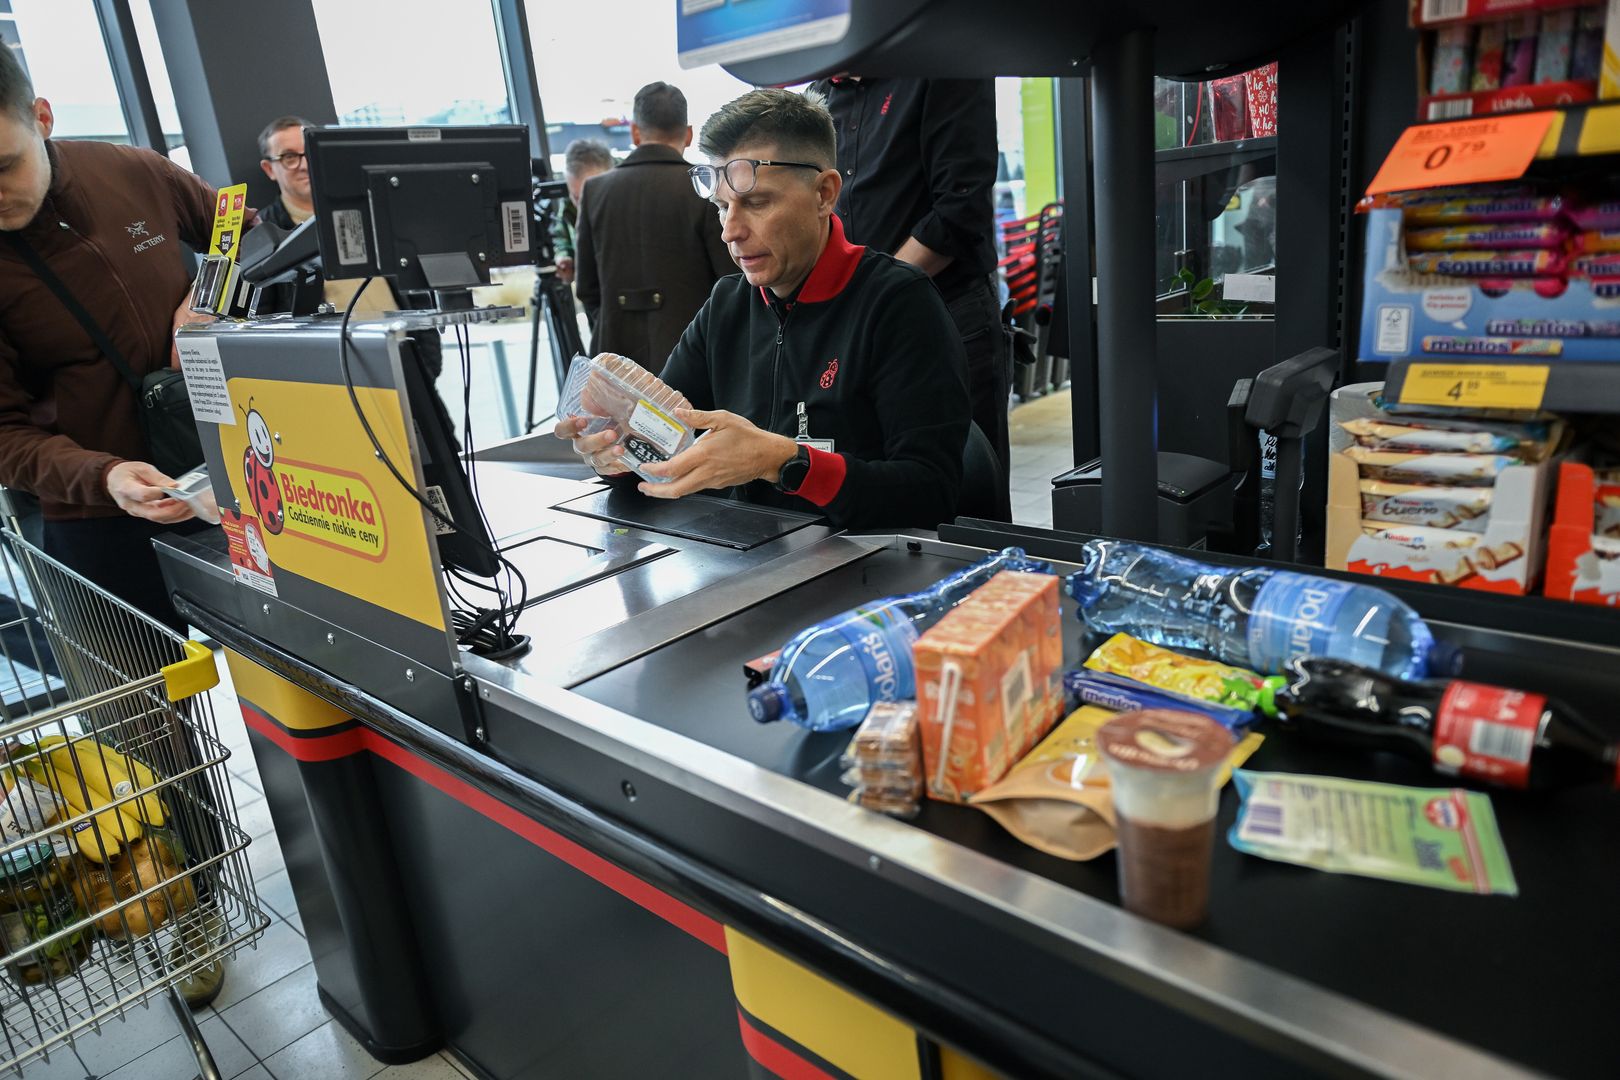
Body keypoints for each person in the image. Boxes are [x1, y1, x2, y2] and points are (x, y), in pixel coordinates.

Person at [0, 42, 226, 1007]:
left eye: (0, 165)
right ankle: (197, 910)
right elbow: (3, 436)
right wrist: (101, 475)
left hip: (225, 476)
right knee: (146, 735)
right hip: (90, 519)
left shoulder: (129, 169)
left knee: (314, 664)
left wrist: (209, 301)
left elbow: (235, 233)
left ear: (43, 118)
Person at [557, 88, 969, 532]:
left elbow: (932, 494)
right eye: (721, 208)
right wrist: (616, 449)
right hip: (751, 564)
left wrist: (784, 461)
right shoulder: (726, 305)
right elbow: (668, 442)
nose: (730, 231)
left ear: (824, 194)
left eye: (756, 203)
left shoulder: (897, 304)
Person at [806, 76, 1010, 519]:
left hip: (947, 311)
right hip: (853, 321)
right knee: (875, 486)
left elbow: (959, 211)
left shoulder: (938, 69)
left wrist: (875, 294)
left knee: (964, 496)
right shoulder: (820, 93)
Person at [253, 116, 441, 377]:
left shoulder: (371, 210)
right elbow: (262, 325)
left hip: (407, 362)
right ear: (269, 169)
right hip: (335, 376)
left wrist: (428, 362)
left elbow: (415, 285)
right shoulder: (265, 236)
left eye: (310, 153)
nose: (304, 165)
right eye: (289, 157)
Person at [574, 83, 732, 374]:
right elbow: (729, 283)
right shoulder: (704, 189)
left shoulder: (595, 191)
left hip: (614, 360)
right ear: (688, 134)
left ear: (635, 132)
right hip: (692, 362)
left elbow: (586, 287)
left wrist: (613, 324)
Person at [553, 138, 613, 286]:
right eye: (577, 197)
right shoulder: (568, 207)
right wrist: (564, 258)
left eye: (593, 195)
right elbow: (562, 237)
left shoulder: (633, 192)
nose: (584, 206)